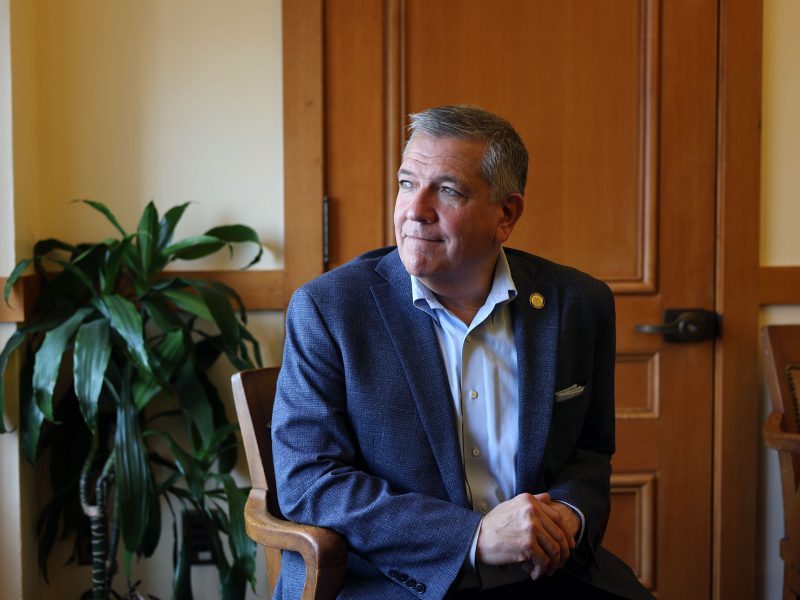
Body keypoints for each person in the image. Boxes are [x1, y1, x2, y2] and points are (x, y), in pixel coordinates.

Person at [271, 105, 653, 599]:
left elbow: (590, 450)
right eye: (407, 183)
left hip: (546, 573)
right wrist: (470, 537)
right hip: (397, 580)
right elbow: (309, 479)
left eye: (447, 190)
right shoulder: (329, 309)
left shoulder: (577, 304)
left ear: (506, 215)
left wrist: (566, 517)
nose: (415, 209)